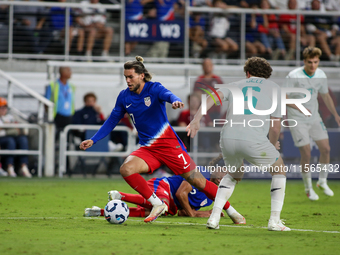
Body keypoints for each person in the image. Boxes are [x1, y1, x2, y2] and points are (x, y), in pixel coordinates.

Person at [80, 56, 242, 223]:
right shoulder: (124, 97)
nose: (127, 80)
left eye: (131, 77)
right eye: (125, 77)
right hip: (148, 149)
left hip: (171, 147)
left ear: (141, 75)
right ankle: (157, 204)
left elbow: (167, 94)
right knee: (126, 169)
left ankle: (233, 212)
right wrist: (94, 139)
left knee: (200, 182)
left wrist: (175, 100)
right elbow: (112, 120)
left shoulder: (154, 88)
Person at [187, 56, 290, 231]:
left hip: (228, 138)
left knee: (235, 174)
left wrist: (197, 119)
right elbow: (275, 127)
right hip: (254, 139)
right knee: (279, 169)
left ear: (248, 73)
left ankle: (214, 218)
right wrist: (273, 145)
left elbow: (210, 97)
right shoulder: (275, 89)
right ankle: (274, 221)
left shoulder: (235, 85)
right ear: (267, 75)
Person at [284, 46, 340, 200]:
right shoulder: (293, 76)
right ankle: (308, 188)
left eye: (315, 62)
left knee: (326, 149)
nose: (313, 65)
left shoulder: (321, 75)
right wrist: (300, 107)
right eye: (310, 62)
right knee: (307, 153)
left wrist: (336, 114)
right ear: (304, 61)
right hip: (297, 118)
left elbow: (326, 96)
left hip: (314, 118)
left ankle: (322, 182)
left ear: (319, 61)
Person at [84, 175, 246, 223]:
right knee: (161, 205)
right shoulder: (201, 174)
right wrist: (194, 214)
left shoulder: (210, 199)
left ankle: (100, 212)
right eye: (223, 173)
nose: (223, 179)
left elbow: (184, 212)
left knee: (146, 212)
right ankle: (121, 195)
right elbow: (181, 194)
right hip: (163, 186)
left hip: (171, 206)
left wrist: (204, 214)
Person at [0, 97, 32, 178]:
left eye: (4, 108)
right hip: (3, 138)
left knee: (23, 140)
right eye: (1, 108)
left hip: (10, 136)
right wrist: (10, 130)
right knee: (10, 142)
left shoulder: (10, 116)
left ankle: (23, 166)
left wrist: (7, 129)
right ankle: (9, 166)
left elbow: (18, 128)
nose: (3, 110)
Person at [45, 66, 75, 137]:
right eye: (69, 71)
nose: (71, 73)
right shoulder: (53, 85)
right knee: (56, 137)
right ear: (63, 73)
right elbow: (46, 102)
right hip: (57, 116)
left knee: (67, 137)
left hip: (69, 116)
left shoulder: (71, 86)